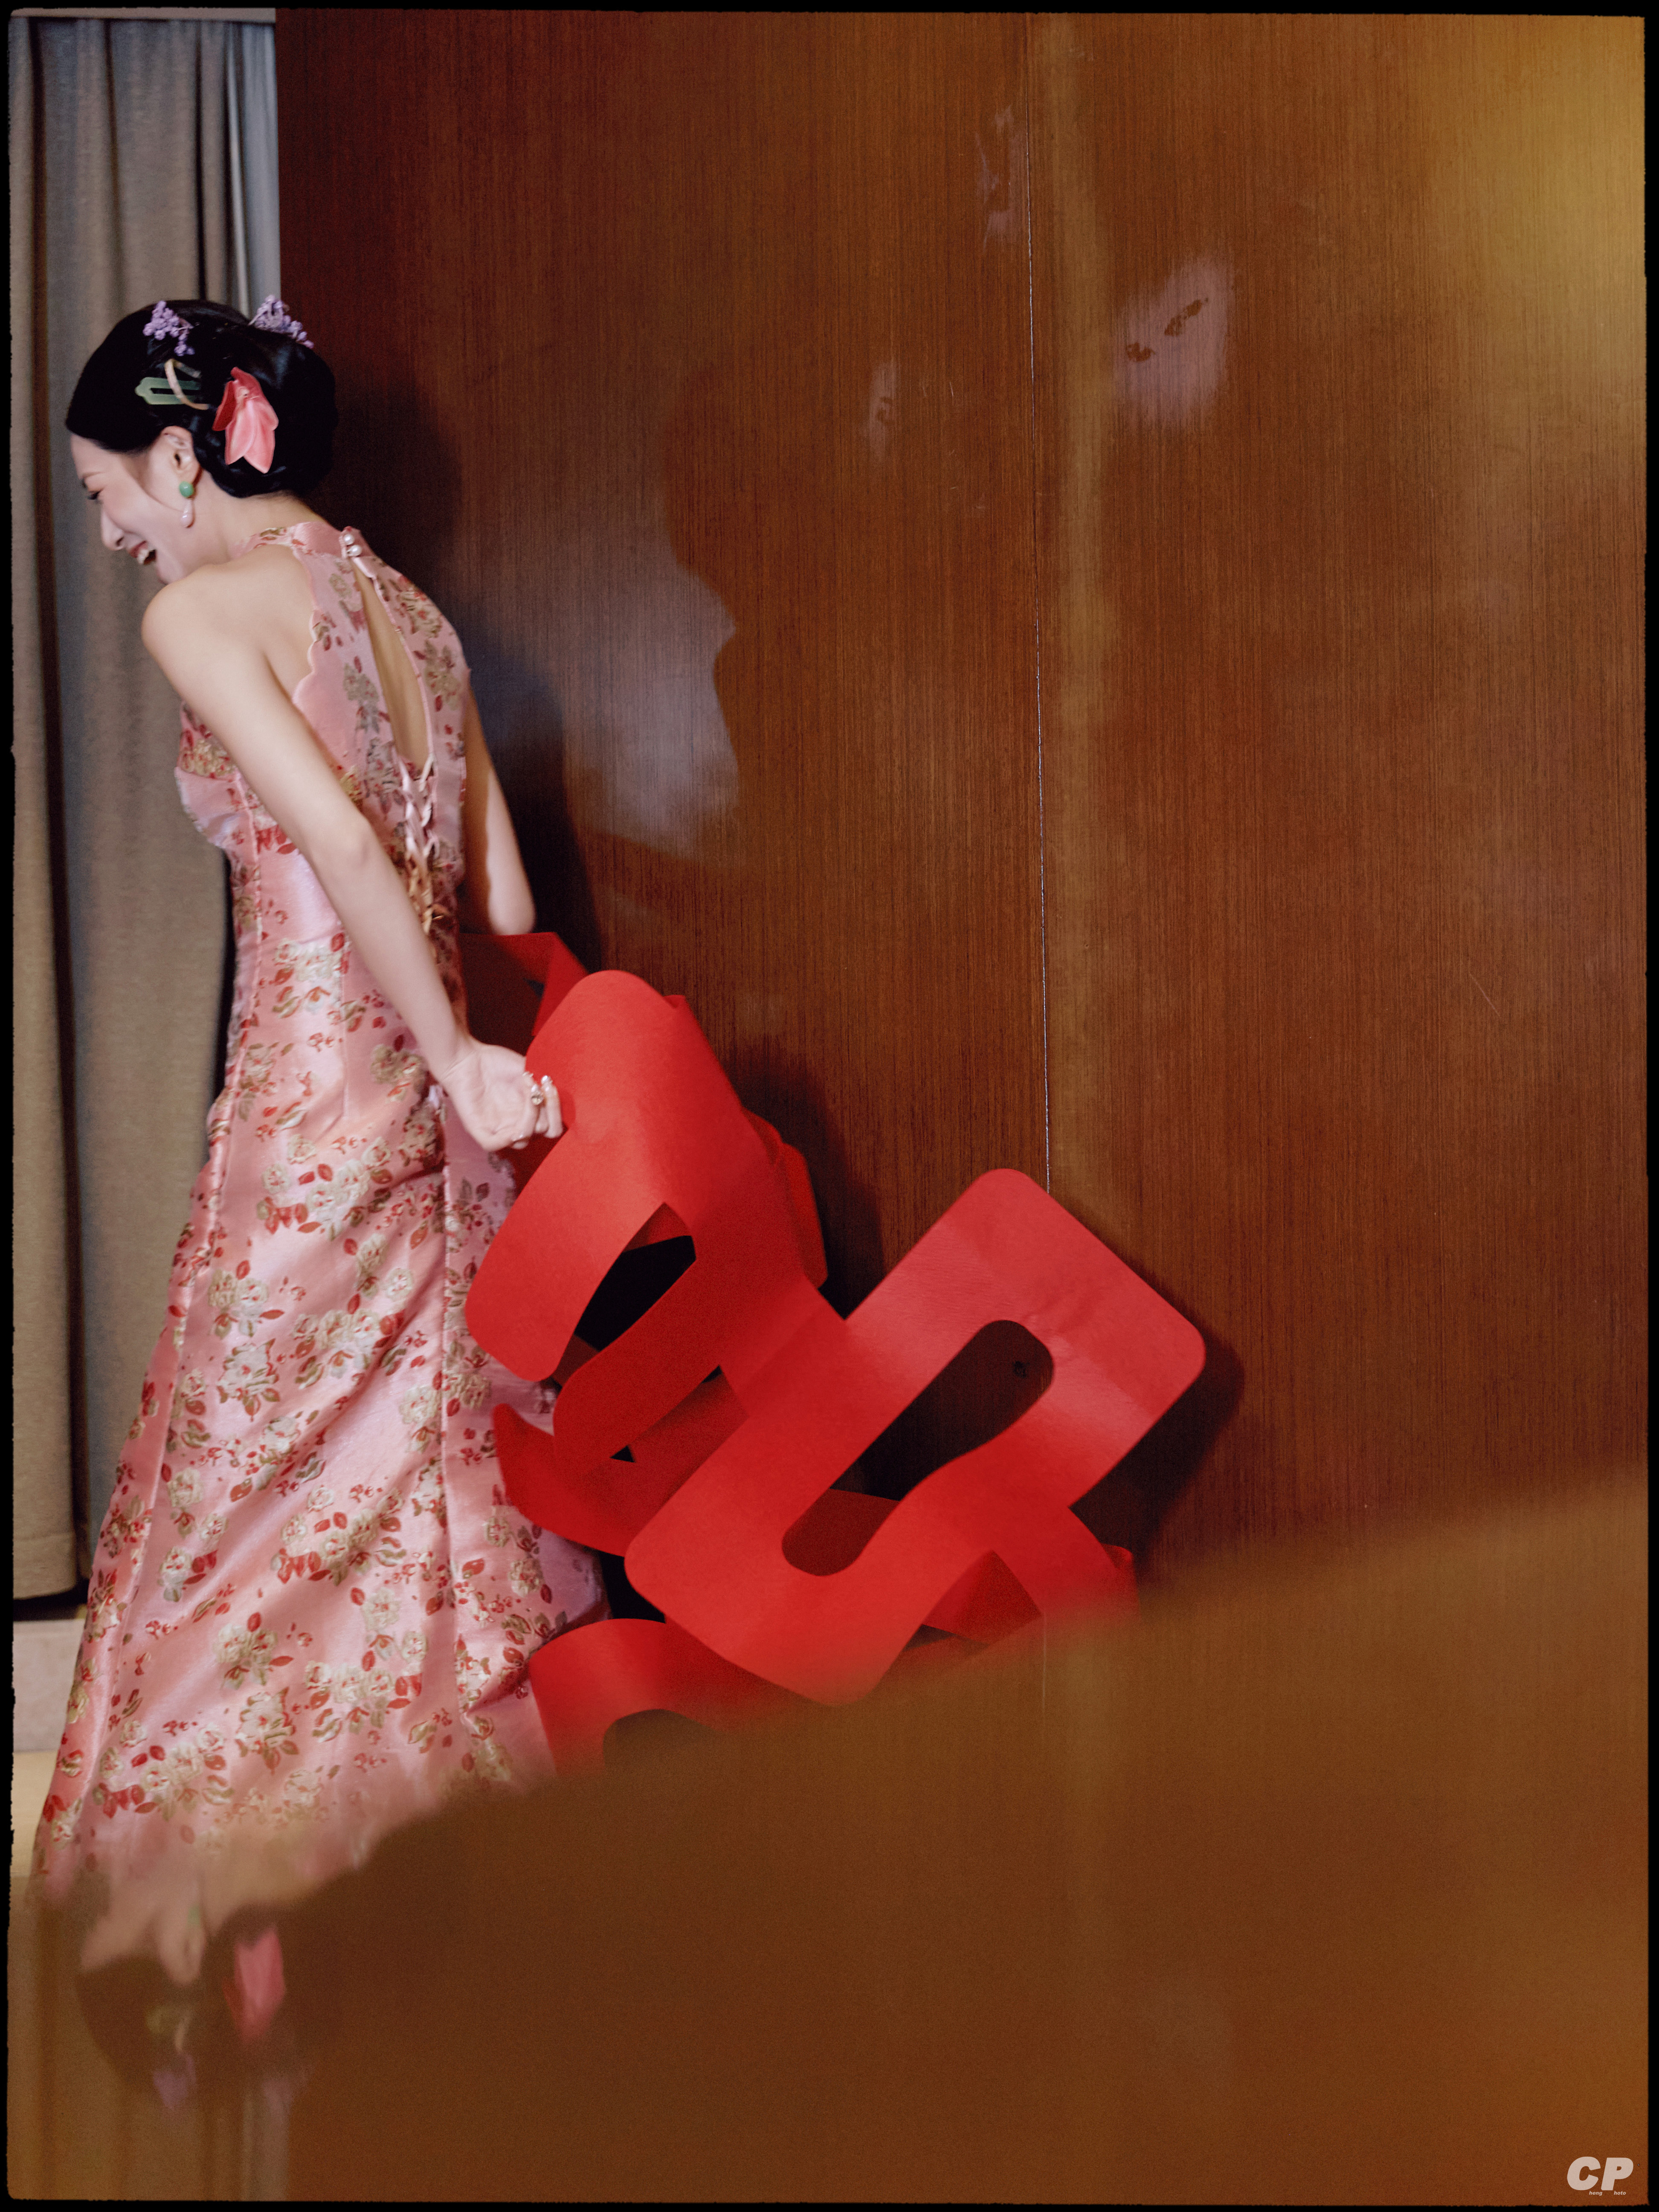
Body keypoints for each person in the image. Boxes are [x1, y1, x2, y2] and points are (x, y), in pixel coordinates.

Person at [35, 297, 606, 2007]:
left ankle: (256, 1916)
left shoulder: (201, 613)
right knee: (422, 1475)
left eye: (103, 490)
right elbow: (501, 893)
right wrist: (469, 1060)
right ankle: (442, 1886)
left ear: (179, 453)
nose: (109, 530)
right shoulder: (411, 611)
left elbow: (346, 845)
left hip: (319, 1092)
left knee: (254, 1482)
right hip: (440, 1104)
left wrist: (444, 1053)